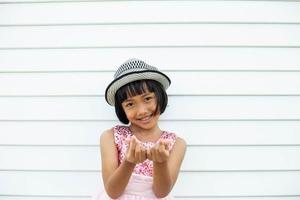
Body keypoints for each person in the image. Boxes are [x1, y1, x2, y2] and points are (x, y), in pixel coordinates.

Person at [92, 58, 186, 200]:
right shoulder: (110, 137)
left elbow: (161, 193)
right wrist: (129, 162)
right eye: (130, 104)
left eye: (147, 98)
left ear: (160, 97)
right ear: (121, 109)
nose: (141, 111)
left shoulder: (176, 143)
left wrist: (160, 162)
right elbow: (112, 192)